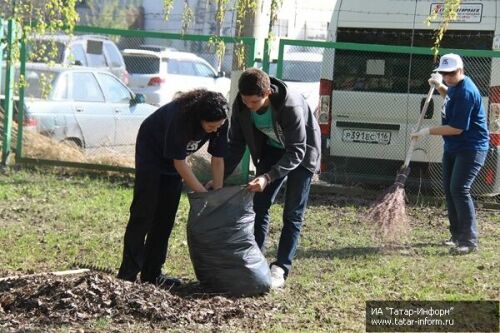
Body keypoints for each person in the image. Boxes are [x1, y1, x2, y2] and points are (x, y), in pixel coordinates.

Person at [117, 89, 229, 286]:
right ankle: (128, 273)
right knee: (143, 214)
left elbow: (218, 159)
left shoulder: (221, 121)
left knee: (165, 218)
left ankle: (152, 274)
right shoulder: (181, 117)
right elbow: (179, 162)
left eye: (218, 126)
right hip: (151, 153)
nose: (214, 130)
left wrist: (217, 195)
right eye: (210, 126)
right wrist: (204, 195)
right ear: (199, 118)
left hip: (175, 163)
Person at [223, 68, 321, 288]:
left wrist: (267, 177)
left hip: (303, 152)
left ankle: (281, 268)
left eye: (254, 102)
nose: (249, 106)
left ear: (267, 93)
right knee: (259, 205)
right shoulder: (241, 105)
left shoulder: (290, 105)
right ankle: (255, 260)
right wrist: (219, 178)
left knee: (292, 213)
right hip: (273, 149)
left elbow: (297, 150)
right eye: (246, 101)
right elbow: (236, 144)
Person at [411, 53, 489, 255]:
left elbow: (456, 128)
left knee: (460, 189)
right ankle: (456, 235)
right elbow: (450, 97)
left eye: (451, 74)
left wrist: (427, 131)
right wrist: (439, 87)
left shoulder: (467, 91)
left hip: (471, 148)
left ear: (461, 70)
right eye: (444, 74)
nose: (447, 77)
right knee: (450, 189)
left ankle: (469, 240)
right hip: (454, 148)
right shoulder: (454, 88)